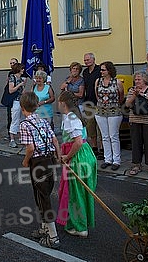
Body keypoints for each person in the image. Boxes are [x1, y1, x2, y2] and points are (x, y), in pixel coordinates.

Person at [18, 91, 61, 249]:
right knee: (44, 193)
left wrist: (25, 161)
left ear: (23, 108)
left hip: (37, 162)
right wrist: (58, 156)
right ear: (37, 106)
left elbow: (30, 148)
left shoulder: (24, 125)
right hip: (49, 159)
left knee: (42, 198)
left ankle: (53, 236)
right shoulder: (43, 120)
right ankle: (44, 228)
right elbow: (55, 139)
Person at [56, 91, 97, 238]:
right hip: (86, 154)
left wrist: (67, 156)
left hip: (78, 157)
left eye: (59, 101)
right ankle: (81, 222)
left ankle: (79, 226)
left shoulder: (70, 118)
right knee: (83, 191)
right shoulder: (74, 115)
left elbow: (78, 142)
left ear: (63, 103)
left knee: (75, 192)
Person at [123, 71, 148, 177]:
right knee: (136, 144)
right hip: (135, 120)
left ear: (145, 80)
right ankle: (136, 165)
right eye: (136, 79)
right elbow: (128, 104)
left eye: (139, 79)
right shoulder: (132, 89)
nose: (137, 81)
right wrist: (134, 95)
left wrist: (143, 95)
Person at [95, 61, 124, 170]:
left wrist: (114, 105)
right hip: (101, 111)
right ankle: (108, 159)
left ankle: (116, 160)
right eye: (101, 70)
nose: (101, 72)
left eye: (103, 70)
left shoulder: (117, 82)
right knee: (105, 136)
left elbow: (121, 96)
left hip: (114, 112)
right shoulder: (98, 81)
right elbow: (97, 95)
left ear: (109, 71)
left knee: (114, 136)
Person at [82, 52, 102, 158]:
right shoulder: (85, 72)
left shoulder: (99, 70)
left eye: (88, 60)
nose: (86, 62)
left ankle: (102, 148)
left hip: (98, 102)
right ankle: (94, 147)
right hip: (88, 102)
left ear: (93, 59)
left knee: (100, 127)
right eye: (85, 60)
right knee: (90, 126)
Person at [8, 62, 28, 148]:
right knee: (15, 119)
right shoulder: (12, 77)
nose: (23, 70)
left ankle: (21, 137)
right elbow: (11, 90)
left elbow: (22, 91)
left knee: (22, 119)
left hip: (21, 100)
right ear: (18, 69)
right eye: (22, 69)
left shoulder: (21, 78)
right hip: (15, 101)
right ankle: (12, 139)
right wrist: (20, 84)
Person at [5, 58, 19, 133]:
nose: (12, 65)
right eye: (10, 63)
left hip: (17, 96)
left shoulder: (21, 73)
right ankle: (9, 131)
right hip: (10, 96)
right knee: (9, 114)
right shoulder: (10, 73)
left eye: (13, 63)